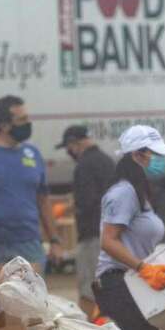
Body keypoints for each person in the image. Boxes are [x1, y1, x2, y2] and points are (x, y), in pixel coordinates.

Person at [94, 125, 165, 330]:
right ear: (138, 155)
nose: (160, 160)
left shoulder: (138, 192)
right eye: (155, 154)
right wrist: (144, 268)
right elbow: (108, 241)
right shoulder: (123, 193)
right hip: (118, 284)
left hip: (133, 284)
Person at [0, 95, 63, 268]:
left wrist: (54, 240)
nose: (28, 123)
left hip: (28, 244)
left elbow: (43, 200)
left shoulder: (33, 154)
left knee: (31, 295)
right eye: (22, 119)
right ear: (4, 125)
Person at [58, 124, 115, 319]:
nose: (68, 152)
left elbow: (87, 201)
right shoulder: (107, 161)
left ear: (74, 143)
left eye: (68, 148)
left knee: (88, 288)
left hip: (92, 235)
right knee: (109, 288)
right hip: (112, 235)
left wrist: (70, 206)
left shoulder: (84, 166)